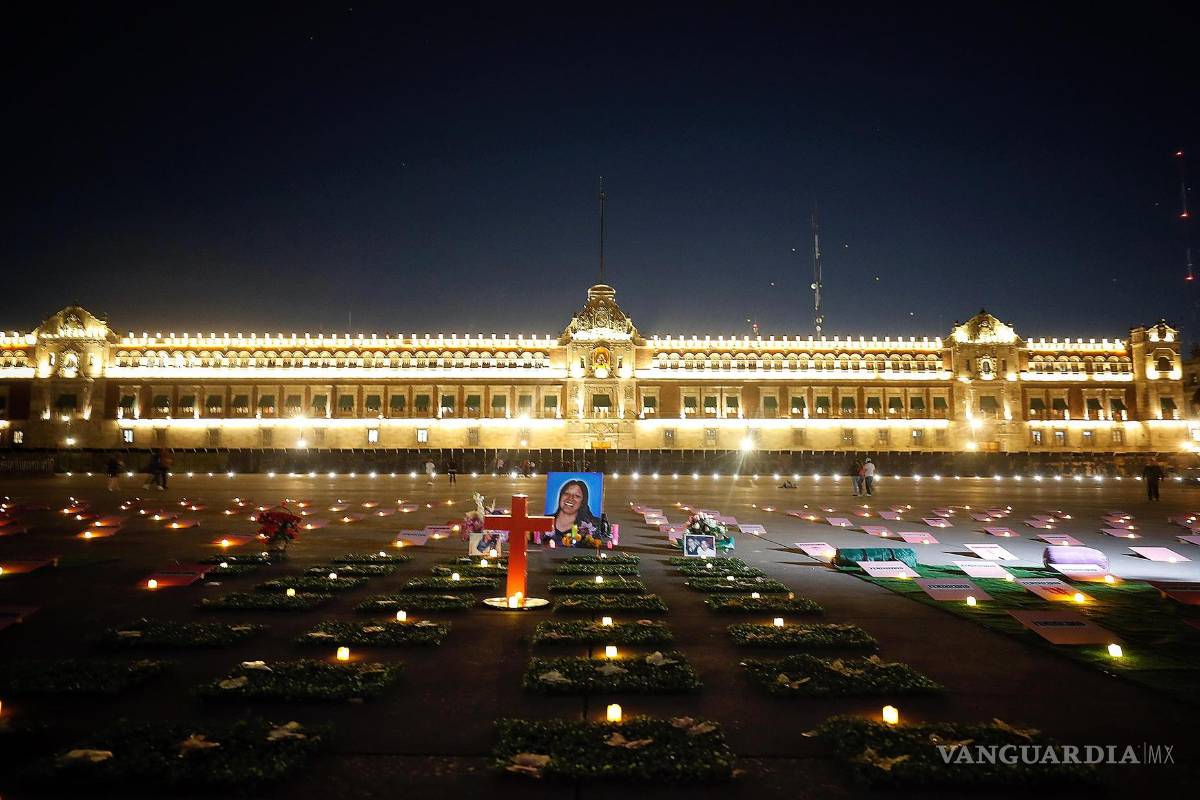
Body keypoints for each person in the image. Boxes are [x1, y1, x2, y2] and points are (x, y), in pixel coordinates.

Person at [548, 478, 598, 545]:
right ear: (560, 496)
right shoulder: (546, 520)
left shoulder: (590, 526)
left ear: (583, 502)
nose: (570, 498)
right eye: (566, 493)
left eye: (577, 496)